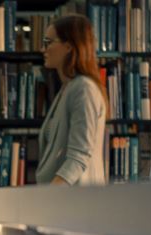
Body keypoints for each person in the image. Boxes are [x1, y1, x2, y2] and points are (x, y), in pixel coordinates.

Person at [37, 14, 108, 186]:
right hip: (63, 201)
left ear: (68, 46)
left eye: (48, 42)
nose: (43, 49)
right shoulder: (68, 88)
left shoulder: (83, 89)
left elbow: (79, 157)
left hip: (74, 203)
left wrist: (48, 198)